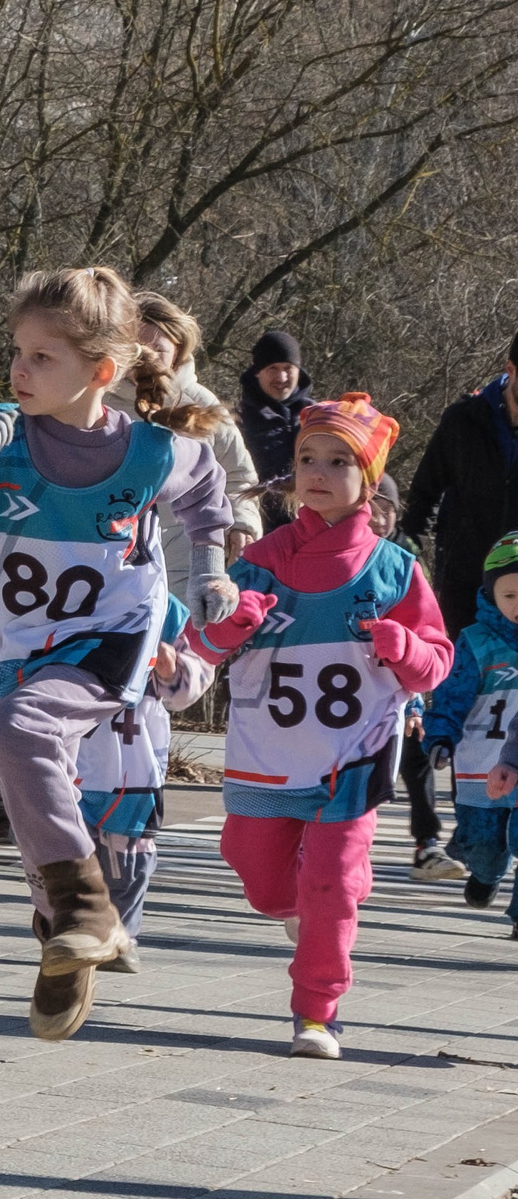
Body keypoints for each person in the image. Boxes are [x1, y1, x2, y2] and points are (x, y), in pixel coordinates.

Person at [0, 266, 235, 1043]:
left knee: (11, 732)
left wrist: (212, 565)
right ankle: (69, 942)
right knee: (20, 785)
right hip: (16, 650)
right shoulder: (1, 442)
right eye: (17, 350)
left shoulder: (152, 450)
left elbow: (207, 488)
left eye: (43, 356)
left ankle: (85, 908)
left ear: (101, 372)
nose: (20, 368)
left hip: (106, 642)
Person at [188, 394, 451, 1059]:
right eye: (308, 457)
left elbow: (434, 665)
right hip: (269, 755)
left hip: (353, 759)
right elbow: (205, 642)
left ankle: (316, 1011)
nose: (319, 471)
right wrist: (233, 620)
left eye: (339, 461)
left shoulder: (395, 570)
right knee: (258, 873)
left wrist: (402, 646)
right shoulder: (263, 560)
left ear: (368, 479)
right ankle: (298, 911)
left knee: (334, 878)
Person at [72, 600, 213, 973]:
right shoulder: (65, 589)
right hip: (70, 753)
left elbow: (195, 680)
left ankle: (121, 934)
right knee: (66, 851)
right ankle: (74, 930)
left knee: (129, 859)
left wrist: (174, 667)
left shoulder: (169, 611)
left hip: (133, 762)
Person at [124, 293, 263, 590]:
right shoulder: (98, 403)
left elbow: (238, 475)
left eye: (156, 350)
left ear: (178, 349)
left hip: (189, 556)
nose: (145, 360)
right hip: (114, 557)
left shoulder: (201, 404)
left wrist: (241, 523)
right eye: (136, 350)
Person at [422, 531, 518, 927]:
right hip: (482, 761)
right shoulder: (477, 643)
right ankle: (485, 871)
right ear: (492, 595)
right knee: (485, 841)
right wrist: (441, 735)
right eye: (510, 596)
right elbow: (451, 695)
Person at [404, 332, 518, 642]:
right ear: (510, 369)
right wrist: (409, 553)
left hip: (517, 583)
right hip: (463, 576)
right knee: (461, 674)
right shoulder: (463, 420)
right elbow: (424, 492)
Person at [371, 476, 451, 880]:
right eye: (370, 506)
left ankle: (427, 845)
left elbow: (425, 626)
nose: (378, 517)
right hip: (354, 679)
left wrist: (419, 695)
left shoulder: (406, 553)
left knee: (417, 760)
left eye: (387, 508)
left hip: (403, 673)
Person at [238, 331, 312, 533]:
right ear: (257, 371)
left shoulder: (317, 417)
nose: (282, 377)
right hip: (256, 532)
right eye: (273, 368)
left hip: (308, 530)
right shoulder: (238, 421)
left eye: (288, 368)